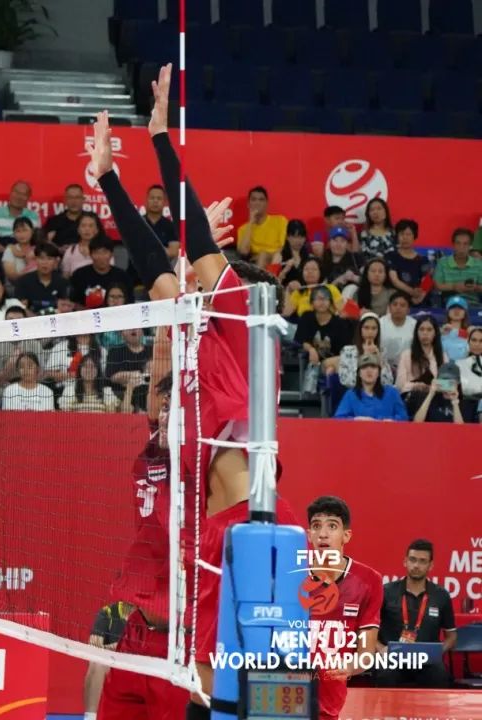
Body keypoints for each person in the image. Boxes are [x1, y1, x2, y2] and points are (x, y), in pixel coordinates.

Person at [92, 64, 299, 714]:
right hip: (206, 525)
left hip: (247, 522)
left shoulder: (241, 314)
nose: (197, 281)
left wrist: (159, 136)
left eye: (208, 277)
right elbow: (154, 264)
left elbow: (197, 239)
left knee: (250, 682)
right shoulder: (192, 323)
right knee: (202, 682)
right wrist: (106, 177)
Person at [97, 377, 191, 720]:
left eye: (172, 409)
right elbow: (162, 360)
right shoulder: (153, 455)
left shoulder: (204, 473)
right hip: (138, 631)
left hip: (181, 641)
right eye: (163, 408)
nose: (163, 416)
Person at [303, 496, 383, 720]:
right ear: (309, 535)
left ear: (346, 535)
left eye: (332, 526)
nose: (323, 534)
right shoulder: (289, 575)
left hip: (330, 700)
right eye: (316, 526)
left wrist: (349, 666)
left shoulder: (369, 581)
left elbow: (366, 654)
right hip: (287, 693)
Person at [375, 539, 456, 689]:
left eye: (422, 561)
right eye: (412, 560)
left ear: (431, 565)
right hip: (392, 659)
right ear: (405, 561)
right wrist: (381, 649)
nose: (416, 565)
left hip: (427, 661)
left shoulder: (441, 595)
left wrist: (438, 652)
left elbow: (451, 637)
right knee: (386, 674)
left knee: (439, 675)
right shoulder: (386, 592)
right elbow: (366, 630)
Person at [333, 352, 407, 421]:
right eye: (364, 367)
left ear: (379, 372)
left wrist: (390, 421)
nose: (369, 370)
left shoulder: (392, 392)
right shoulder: (351, 395)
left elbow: (404, 417)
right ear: (359, 373)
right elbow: (338, 419)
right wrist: (356, 419)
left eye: (373, 367)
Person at [69, 236, 130, 309]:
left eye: (105, 252)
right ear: (90, 254)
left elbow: (129, 303)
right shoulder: (79, 275)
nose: (101, 257)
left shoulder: (122, 276)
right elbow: (73, 303)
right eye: (97, 252)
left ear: (111, 254)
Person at [407, 362, 477, 424]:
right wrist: (430, 394)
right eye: (444, 381)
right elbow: (417, 423)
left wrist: (455, 402)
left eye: (451, 382)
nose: (447, 384)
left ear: (458, 382)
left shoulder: (466, 403)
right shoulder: (428, 399)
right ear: (438, 380)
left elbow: (462, 430)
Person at [237, 185, 287, 267]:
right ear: (248, 204)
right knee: (262, 256)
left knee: (266, 255)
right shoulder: (243, 229)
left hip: (278, 259)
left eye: (261, 200)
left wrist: (266, 256)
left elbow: (284, 247)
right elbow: (243, 252)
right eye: (254, 200)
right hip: (256, 263)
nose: (257, 203)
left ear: (267, 203)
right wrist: (251, 222)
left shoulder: (280, 221)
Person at [434, 228, 481, 304]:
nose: (461, 247)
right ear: (453, 245)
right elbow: (437, 286)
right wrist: (454, 287)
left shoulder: (478, 264)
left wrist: (475, 287)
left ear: (470, 246)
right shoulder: (442, 263)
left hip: (473, 303)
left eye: (465, 244)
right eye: (458, 243)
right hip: (450, 303)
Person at [379, 291, 416, 371]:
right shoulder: (380, 323)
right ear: (389, 307)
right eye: (395, 304)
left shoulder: (414, 325)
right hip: (383, 366)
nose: (398, 308)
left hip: (408, 366)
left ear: (408, 309)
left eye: (402, 305)